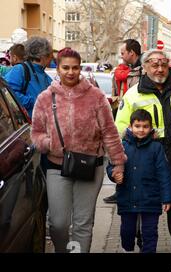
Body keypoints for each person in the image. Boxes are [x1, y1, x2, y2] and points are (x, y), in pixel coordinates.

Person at [31, 47, 127, 253]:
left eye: (75, 68)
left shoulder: (96, 97)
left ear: (80, 68)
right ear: (57, 69)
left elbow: (109, 132)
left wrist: (118, 162)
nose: (70, 72)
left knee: (83, 223)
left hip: (90, 166)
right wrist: (51, 144)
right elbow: (36, 133)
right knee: (58, 223)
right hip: (57, 167)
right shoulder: (45, 98)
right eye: (65, 67)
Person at [115, 49, 171, 253]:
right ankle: (143, 242)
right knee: (145, 205)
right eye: (154, 64)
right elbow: (121, 128)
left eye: (163, 64)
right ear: (145, 67)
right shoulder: (134, 94)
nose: (159, 68)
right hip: (144, 160)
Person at [107, 109, 171, 253]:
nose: (141, 130)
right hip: (127, 197)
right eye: (137, 126)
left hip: (150, 199)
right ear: (130, 126)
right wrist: (114, 174)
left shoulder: (156, 148)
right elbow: (112, 165)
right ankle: (127, 249)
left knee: (150, 233)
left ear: (150, 128)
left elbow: (164, 174)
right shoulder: (122, 146)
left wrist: (167, 198)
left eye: (145, 126)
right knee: (127, 231)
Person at [104, 38, 142, 204]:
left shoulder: (142, 72)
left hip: (137, 121)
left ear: (131, 53)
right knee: (119, 156)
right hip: (121, 116)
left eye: (123, 53)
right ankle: (120, 190)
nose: (121, 56)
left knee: (135, 159)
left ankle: (134, 193)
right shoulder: (123, 71)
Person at [5, 37, 53, 118]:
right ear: (43, 56)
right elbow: (7, 93)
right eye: (50, 56)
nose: (51, 59)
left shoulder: (45, 76)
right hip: (26, 125)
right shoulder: (20, 69)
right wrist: (32, 101)